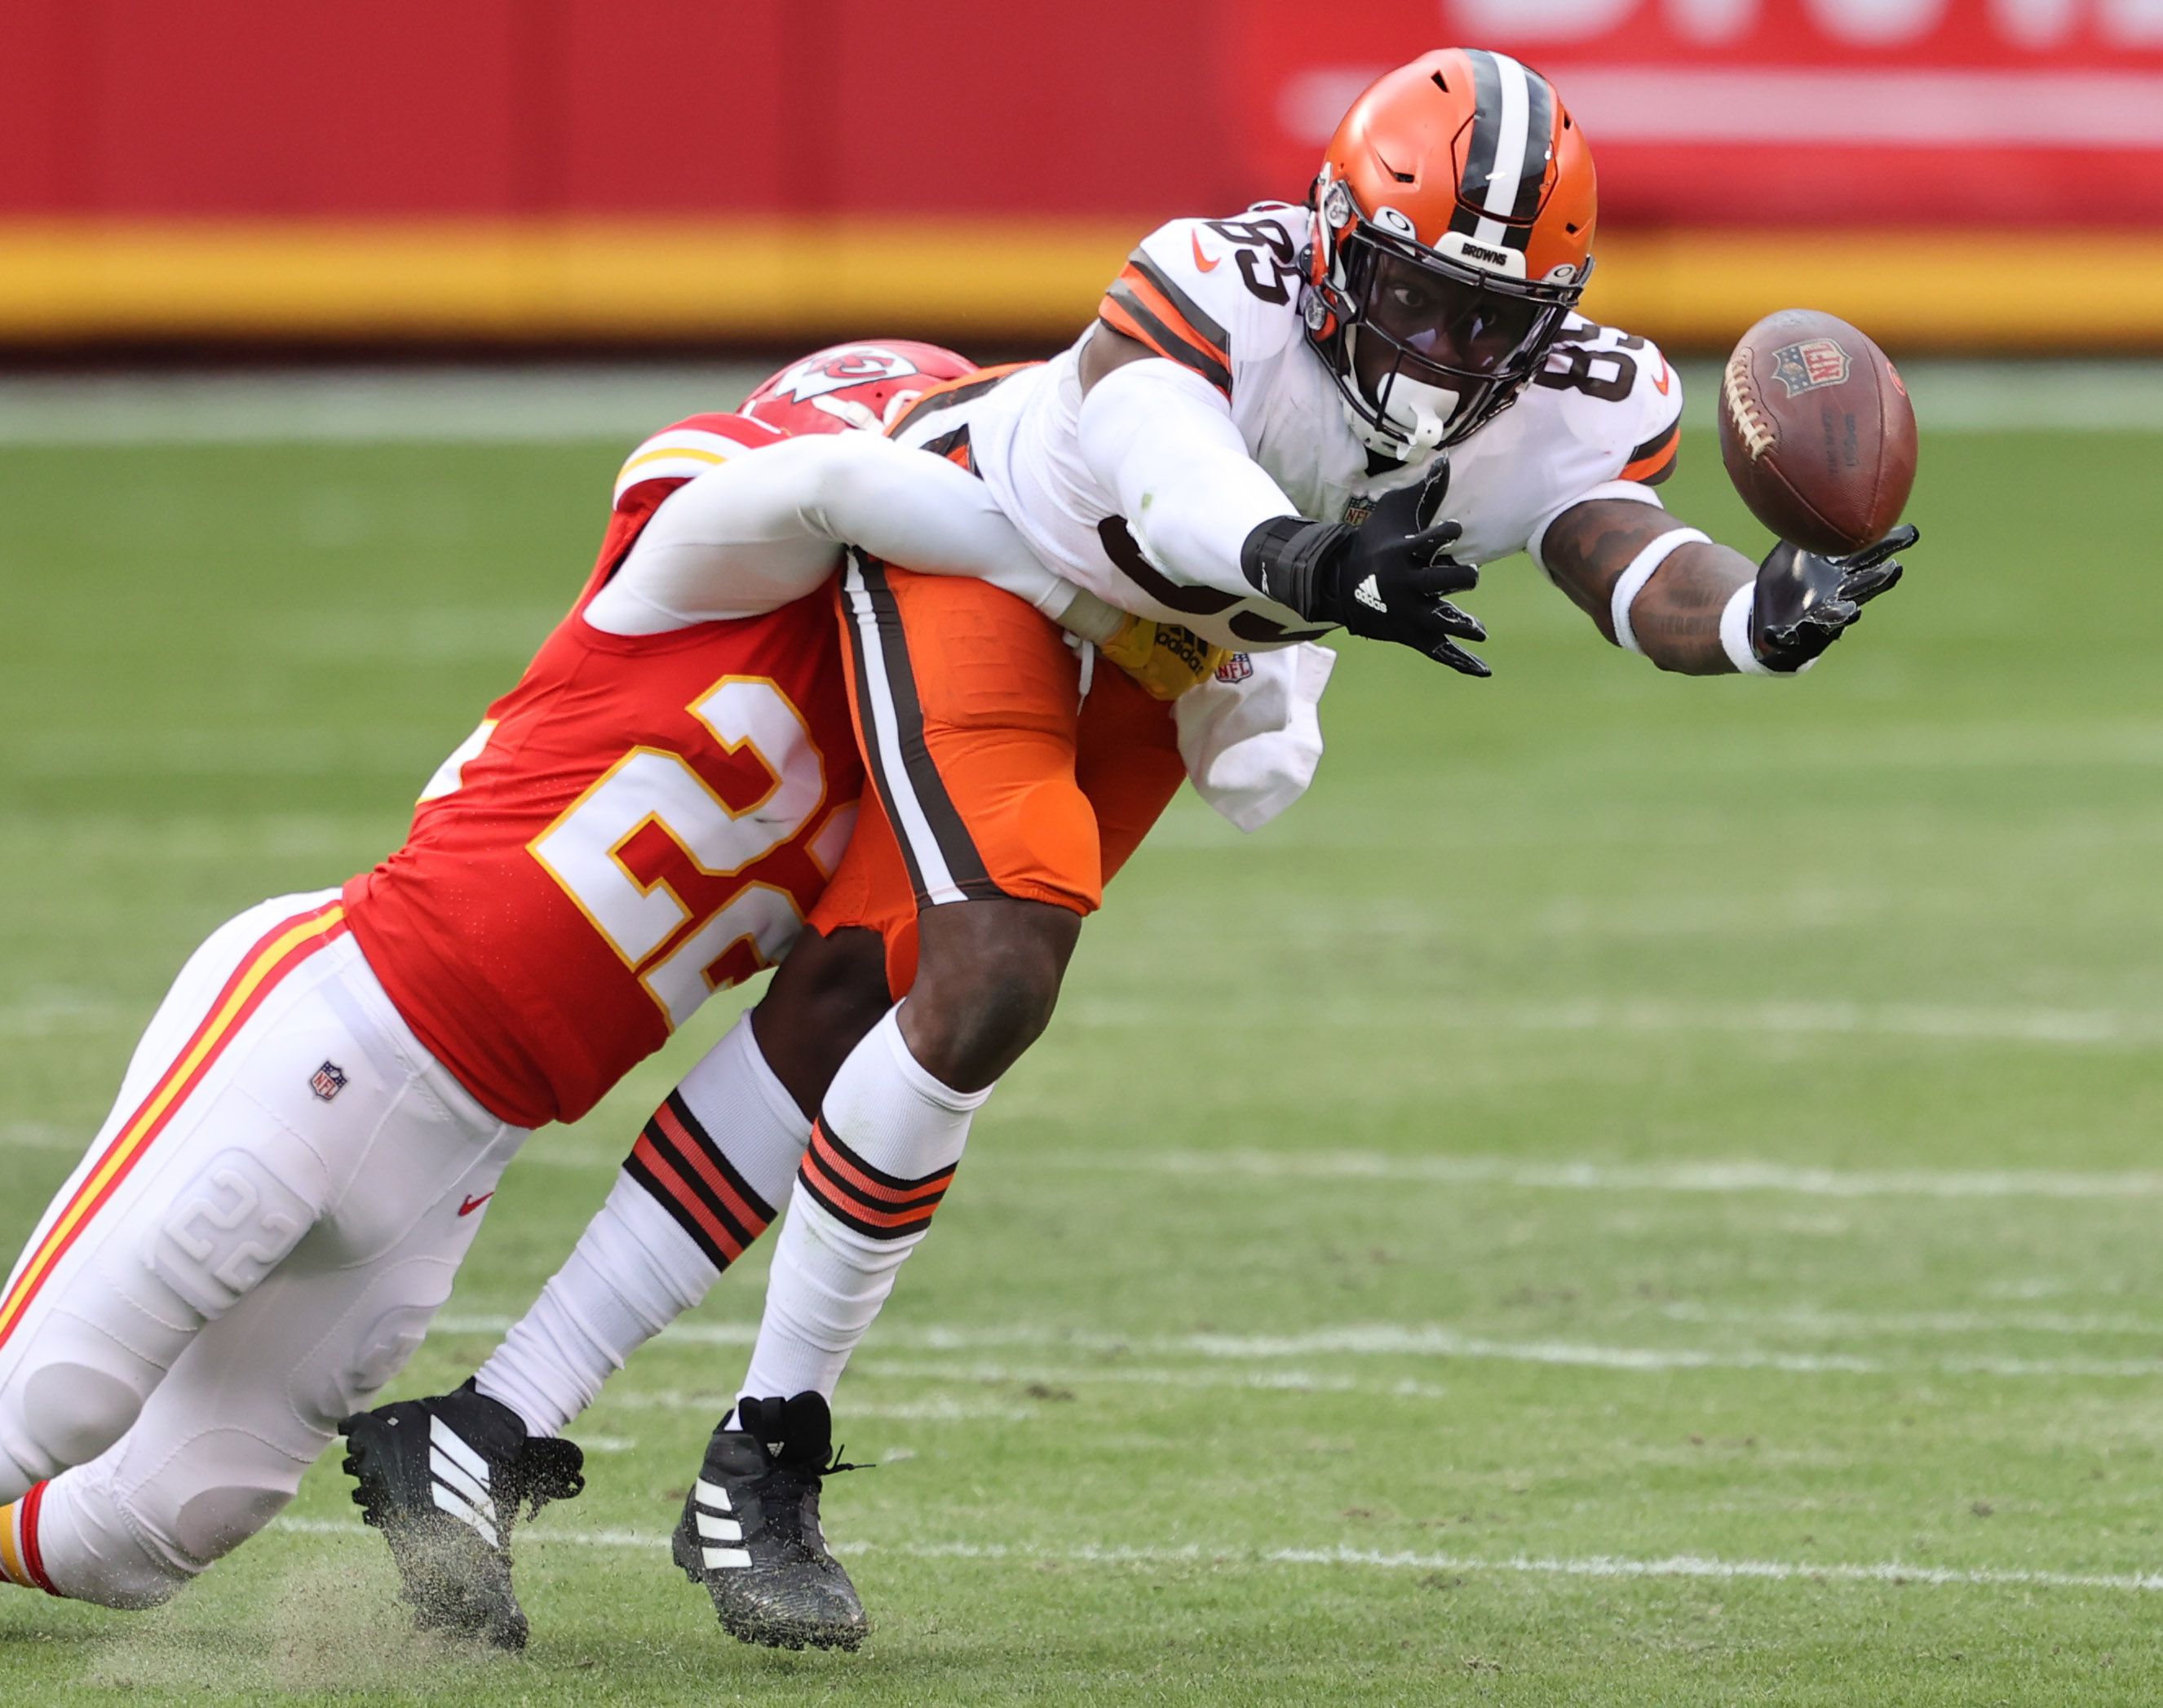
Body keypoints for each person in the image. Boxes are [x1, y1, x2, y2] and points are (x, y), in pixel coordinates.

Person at [344, 46, 1916, 1653]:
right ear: (1331, 242)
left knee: (846, 1011)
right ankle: (768, 1453)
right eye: (1420, 301)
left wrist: (1750, 616)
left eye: (1490, 325)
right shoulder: (1213, 285)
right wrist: (1310, 560)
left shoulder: (1582, 392)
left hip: (1164, 666)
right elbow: (1174, 491)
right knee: (996, 971)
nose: (1446, 358)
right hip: (988, 554)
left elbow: (1623, 555)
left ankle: (478, 1430)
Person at [0, 339, 1255, 1635]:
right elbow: (831, 485)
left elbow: (841, 1013)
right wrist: (1101, 588)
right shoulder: (712, 534)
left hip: (457, 1154)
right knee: (55, 1401)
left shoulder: (934, 713)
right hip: (339, 1022)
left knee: (149, 1529)